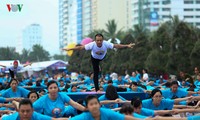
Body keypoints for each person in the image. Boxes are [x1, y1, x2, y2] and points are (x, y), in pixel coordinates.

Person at [63, 33, 135, 92]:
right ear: (95, 40)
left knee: (108, 65)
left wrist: (127, 46)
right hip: (94, 58)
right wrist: (69, 48)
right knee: (96, 72)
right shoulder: (92, 44)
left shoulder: (106, 44)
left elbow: (117, 46)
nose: (99, 42)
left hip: (103, 57)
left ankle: (100, 67)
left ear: (103, 40)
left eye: (100, 40)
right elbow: (80, 48)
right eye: (97, 40)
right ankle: (97, 89)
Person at [69, 95, 138, 120]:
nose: (94, 106)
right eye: (91, 104)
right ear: (87, 107)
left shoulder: (106, 112)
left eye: (96, 103)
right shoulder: (84, 117)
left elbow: (124, 117)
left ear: (99, 105)